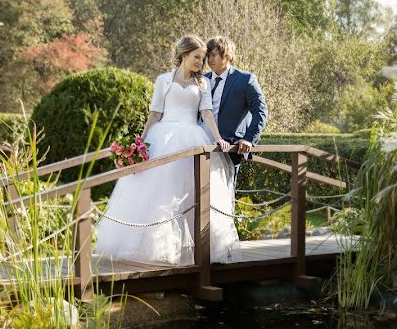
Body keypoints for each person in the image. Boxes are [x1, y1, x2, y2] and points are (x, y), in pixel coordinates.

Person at [94, 35, 242, 265]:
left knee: (188, 192)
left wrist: (218, 138)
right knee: (158, 193)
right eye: (196, 57)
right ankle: (156, 249)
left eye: (202, 59)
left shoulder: (203, 83)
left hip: (192, 137)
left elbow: (206, 113)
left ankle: (195, 249)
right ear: (184, 54)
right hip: (162, 137)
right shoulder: (163, 80)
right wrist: (139, 144)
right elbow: (154, 113)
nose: (199, 63)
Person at [203, 36, 268, 180]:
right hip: (202, 146)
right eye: (208, 55)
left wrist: (248, 139)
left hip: (231, 149)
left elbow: (261, 111)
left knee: (225, 196)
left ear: (227, 55)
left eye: (213, 55)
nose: (209, 59)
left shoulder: (246, 80)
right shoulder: (203, 79)